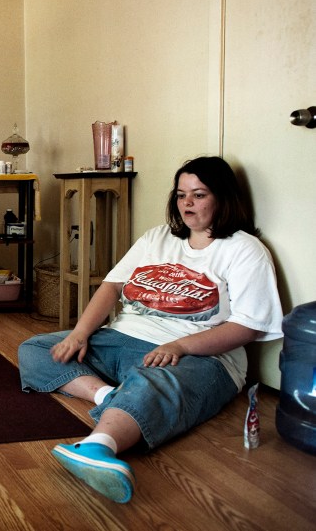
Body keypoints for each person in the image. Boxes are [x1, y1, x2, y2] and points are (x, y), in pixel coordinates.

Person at [18, 156, 283, 503]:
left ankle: (99, 446)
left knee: (153, 382)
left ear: (223, 197)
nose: (187, 203)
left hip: (203, 355)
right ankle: (108, 396)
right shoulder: (157, 238)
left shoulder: (245, 250)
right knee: (36, 349)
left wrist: (182, 346)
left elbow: (247, 327)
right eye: (181, 194)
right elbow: (112, 286)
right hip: (123, 338)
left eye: (199, 195)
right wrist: (79, 333)